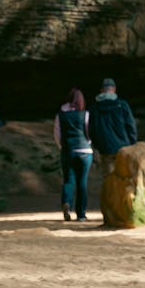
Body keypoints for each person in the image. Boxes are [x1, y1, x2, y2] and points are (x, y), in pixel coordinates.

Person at [55, 88, 93, 222]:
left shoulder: (60, 115)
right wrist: (87, 143)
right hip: (84, 151)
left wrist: (63, 147)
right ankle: (81, 214)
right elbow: (89, 132)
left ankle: (66, 203)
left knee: (68, 180)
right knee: (82, 182)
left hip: (68, 150)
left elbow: (57, 134)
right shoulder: (85, 114)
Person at [88, 78, 137, 181]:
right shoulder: (122, 105)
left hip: (105, 149)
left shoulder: (94, 108)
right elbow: (131, 125)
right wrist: (132, 143)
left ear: (101, 90)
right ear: (114, 89)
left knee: (109, 180)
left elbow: (91, 129)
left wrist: (97, 145)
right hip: (124, 147)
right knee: (125, 179)